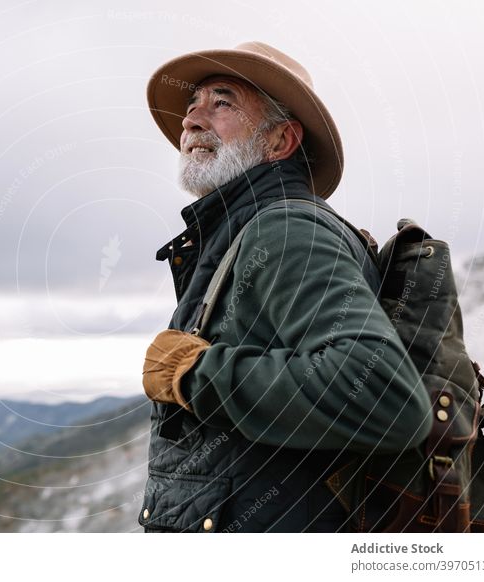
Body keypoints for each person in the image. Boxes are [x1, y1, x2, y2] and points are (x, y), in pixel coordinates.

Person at [139, 41, 433, 532]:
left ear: (280, 142)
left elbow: (385, 396)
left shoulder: (286, 228)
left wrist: (193, 374)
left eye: (222, 102)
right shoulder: (241, 232)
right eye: (192, 106)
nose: (191, 120)